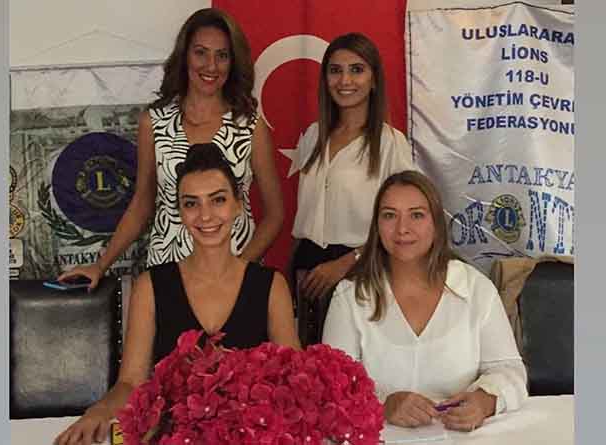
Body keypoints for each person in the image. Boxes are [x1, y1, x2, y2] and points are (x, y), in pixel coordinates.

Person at [54, 144, 300, 445]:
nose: (205, 215)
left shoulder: (272, 286)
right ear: (180, 212)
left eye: (218, 200)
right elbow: (131, 381)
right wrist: (100, 410)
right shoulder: (150, 286)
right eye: (191, 203)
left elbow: (295, 379)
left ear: (238, 205)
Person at [59, 8, 284, 288]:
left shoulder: (250, 125)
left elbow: (275, 214)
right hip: (169, 272)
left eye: (222, 55)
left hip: (236, 276)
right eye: (201, 53)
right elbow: (141, 205)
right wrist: (100, 264)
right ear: (184, 56)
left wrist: (239, 270)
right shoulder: (154, 122)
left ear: (233, 61)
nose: (211, 66)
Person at [322, 170, 527, 432]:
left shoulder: (476, 289)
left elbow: (511, 371)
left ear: (436, 224)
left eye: (416, 215)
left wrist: (485, 400)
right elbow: (331, 387)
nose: (402, 229)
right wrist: (383, 405)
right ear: (376, 226)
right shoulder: (349, 296)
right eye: (389, 215)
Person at [291, 33, 418, 345]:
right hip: (307, 272)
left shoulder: (390, 143)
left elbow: (404, 224)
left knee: (351, 363)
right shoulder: (312, 137)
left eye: (357, 70)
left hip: (360, 270)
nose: (345, 80)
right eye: (335, 71)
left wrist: (346, 263)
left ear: (373, 80)